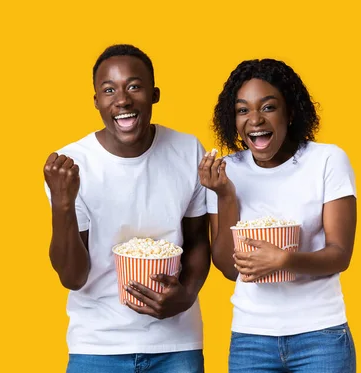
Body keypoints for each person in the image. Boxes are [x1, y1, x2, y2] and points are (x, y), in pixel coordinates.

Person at [43, 44, 210, 373]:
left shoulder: (188, 150)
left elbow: (198, 241)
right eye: (109, 90)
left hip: (177, 345)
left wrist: (186, 295)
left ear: (154, 94)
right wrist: (63, 204)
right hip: (97, 345)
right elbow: (72, 277)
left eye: (134, 86)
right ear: (96, 101)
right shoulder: (72, 164)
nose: (122, 100)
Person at [199, 58, 357, 372]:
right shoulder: (225, 172)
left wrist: (286, 259)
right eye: (243, 110)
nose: (254, 120)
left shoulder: (327, 161)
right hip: (251, 338)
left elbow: (340, 255)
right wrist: (225, 194)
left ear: (291, 111)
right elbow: (229, 269)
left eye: (268, 107)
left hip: (320, 334)